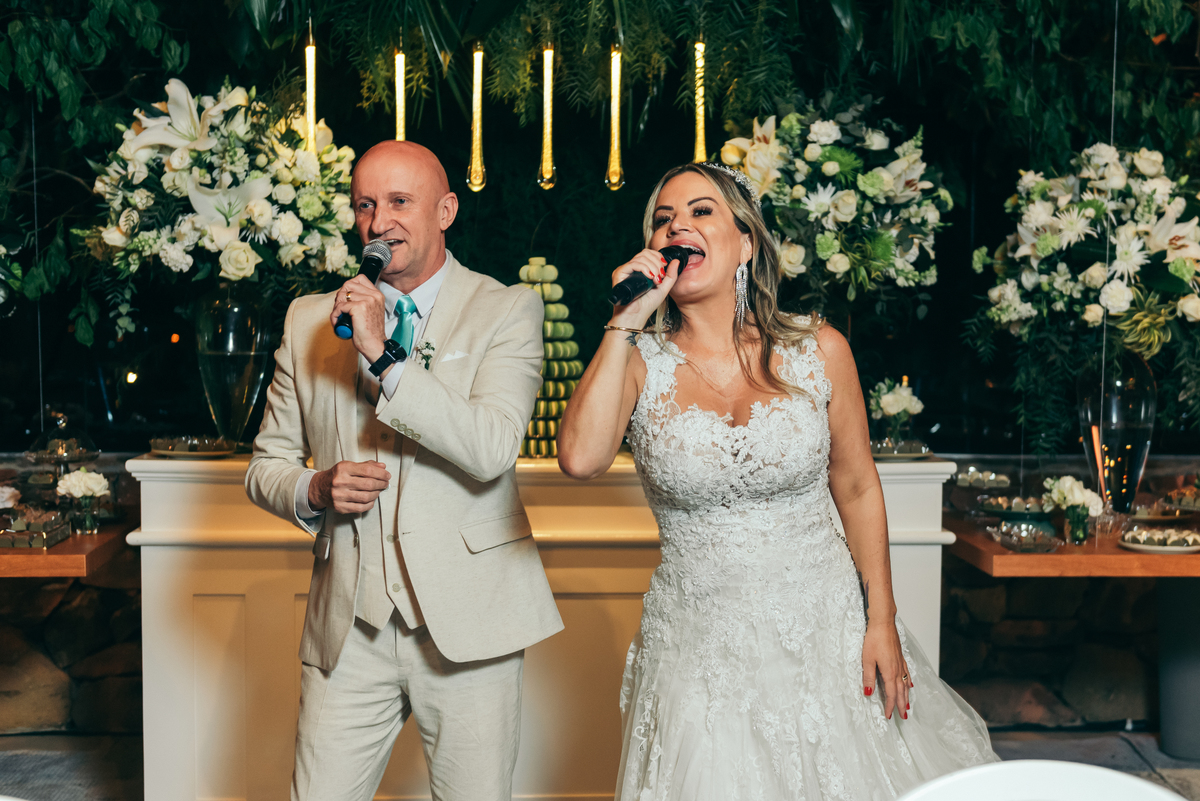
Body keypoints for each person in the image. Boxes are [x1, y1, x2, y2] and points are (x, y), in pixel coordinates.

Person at [558, 162, 997, 799]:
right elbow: (579, 457)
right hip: (698, 650)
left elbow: (857, 488)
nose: (678, 224)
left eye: (701, 211)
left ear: (746, 244)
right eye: (663, 219)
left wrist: (881, 620)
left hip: (829, 634)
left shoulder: (818, 349)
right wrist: (626, 317)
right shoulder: (635, 362)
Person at [245, 140, 563, 801]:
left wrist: (382, 357)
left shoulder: (507, 309)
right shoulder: (309, 319)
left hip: (470, 622)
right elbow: (266, 465)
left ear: (445, 210)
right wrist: (317, 487)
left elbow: (491, 446)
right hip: (349, 625)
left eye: (399, 201)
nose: (379, 221)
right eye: (365, 204)